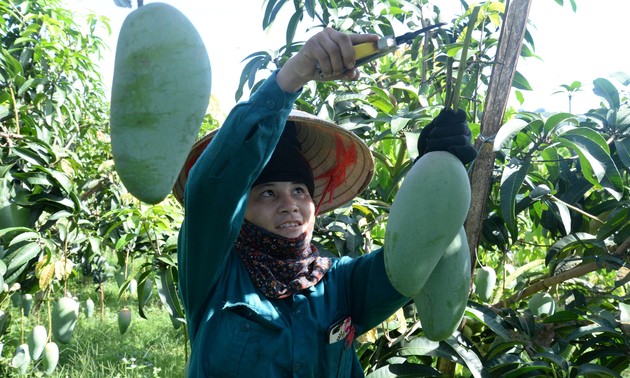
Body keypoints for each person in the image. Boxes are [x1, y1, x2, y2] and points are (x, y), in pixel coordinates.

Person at [173, 28, 476, 378]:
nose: (290, 205)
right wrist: (295, 73)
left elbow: (414, 253)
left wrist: (440, 165)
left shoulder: (338, 282)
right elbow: (212, 189)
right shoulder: (214, 272)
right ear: (241, 206)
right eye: (267, 193)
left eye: (299, 191)